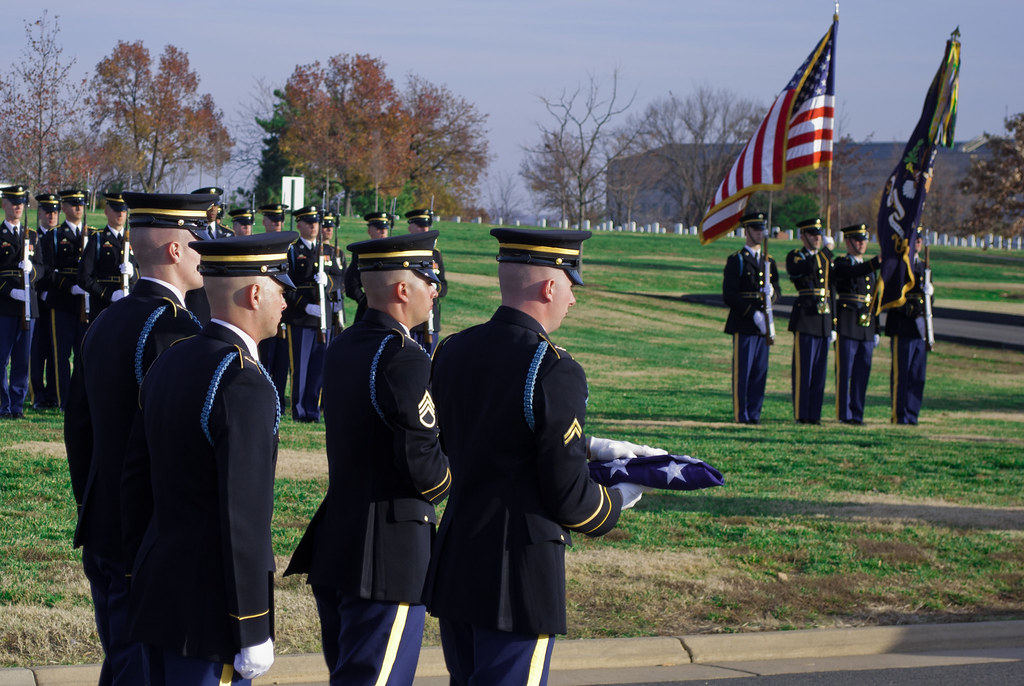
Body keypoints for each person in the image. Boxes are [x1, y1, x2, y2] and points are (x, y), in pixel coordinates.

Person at [426, 228, 662, 685]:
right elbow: (568, 496)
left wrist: (586, 446)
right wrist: (620, 496)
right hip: (518, 570)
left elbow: (468, 441)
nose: (573, 299)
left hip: (458, 559)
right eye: (571, 285)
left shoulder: (453, 350)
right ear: (550, 286)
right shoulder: (554, 367)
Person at [121, 232, 294, 685]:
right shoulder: (244, 381)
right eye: (282, 290)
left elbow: (135, 480)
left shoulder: (173, 358)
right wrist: (253, 626)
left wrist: (136, 573)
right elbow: (244, 517)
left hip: (158, 591)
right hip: (210, 612)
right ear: (256, 293)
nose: (286, 304)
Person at [286, 231, 451, 686]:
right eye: (428, 279)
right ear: (403, 289)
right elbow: (424, 466)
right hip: (389, 556)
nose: (435, 289)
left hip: (339, 543)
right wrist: (457, 477)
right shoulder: (404, 356)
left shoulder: (344, 346)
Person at [63, 192, 210, 686]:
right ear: (173, 251)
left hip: (103, 525)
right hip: (142, 537)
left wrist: (94, 502)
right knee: (140, 672)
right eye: (197, 243)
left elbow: (78, 430)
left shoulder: (106, 319)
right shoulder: (175, 327)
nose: (204, 254)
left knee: (122, 664)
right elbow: (176, 446)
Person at [722, 212, 780, 425]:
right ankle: (741, 413)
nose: (760, 233)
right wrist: (752, 313)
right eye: (755, 229)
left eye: (761, 229)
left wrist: (772, 294)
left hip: (764, 324)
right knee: (743, 372)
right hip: (745, 321)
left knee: (759, 372)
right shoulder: (737, 259)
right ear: (746, 231)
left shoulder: (769, 261)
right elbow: (729, 294)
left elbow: (779, 291)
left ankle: (754, 413)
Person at [283, 206, 339, 422]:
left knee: (319, 366)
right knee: (300, 367)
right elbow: (286, 284)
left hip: (323, 318)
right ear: (299, 225)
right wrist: (304, 305)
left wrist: (329, 283)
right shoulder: (292, 251)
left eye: (316, 222)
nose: (314, 226)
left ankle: (313, 410)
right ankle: (299, 410)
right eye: (308, 222)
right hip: (300, 316)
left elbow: (338, 278)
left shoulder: (328, 251)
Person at [41, 189, 92, 409]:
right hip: (61, 302)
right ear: (63, 208)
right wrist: (70, 287)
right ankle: (63, 399)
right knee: (60, 355)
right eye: (73, 204)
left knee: (83, 354)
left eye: (81, 204)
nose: (78, 208)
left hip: (86, 305)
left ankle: (82, 399)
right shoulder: (53, 236)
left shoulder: (92, 235)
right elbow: (48, 270)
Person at [785, 217, 835, 424]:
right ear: (803, 236)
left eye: (819, 234)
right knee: (803, 371)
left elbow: (832, 290)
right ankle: (801, 413)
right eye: (813, 234)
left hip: (823, 319)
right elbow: (801, 270)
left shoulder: (825, 259)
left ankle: (814, 414)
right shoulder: (796, 256)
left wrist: (833, 323)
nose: (817, 238)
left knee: (819, 373)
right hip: (806, 318)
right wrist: (826, 251)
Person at [833, 224, 881, 425]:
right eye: (858, 240)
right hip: (847, 322)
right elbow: (854, 271)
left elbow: (874, 298)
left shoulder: (869, 268)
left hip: (866, 325)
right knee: (845, 371)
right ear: (848, 241)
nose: (862, 244)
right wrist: (875, 263)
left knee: (863, 371)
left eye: (864, 240)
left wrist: (877, 328)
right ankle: (844, 413)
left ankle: (858, 412)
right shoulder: (842, 263)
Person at [0, 184, 41, 419]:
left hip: (28, 305)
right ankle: (2, 405)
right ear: (4, 204)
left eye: (21, 203)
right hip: (5, 305)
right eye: (13, 202)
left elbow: (43, 268)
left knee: (22, 358)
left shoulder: (32, 235)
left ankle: (17, 406)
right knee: (1, 358)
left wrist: (32, 270)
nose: (18, 207)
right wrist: (9, 292)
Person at [885, 232, 932, 425]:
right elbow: (893, 294)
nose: (918, 244)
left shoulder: (924, 266)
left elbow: (928, 302)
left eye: (920, 241)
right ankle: (899, 414)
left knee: (917, 374)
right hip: (903, 324)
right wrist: (910, 308)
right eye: (915, 241)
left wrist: (930, 292)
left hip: (920, 326)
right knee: (901, 373)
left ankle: (912, 414)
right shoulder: (900, 265)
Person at [77, 192, 138, 321]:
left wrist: (133, 274)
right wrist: (108, 294)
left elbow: (143, 272)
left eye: (123, 210)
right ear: (106, 211)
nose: (120, 214)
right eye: (116, 210)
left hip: (128, 304)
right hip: (102, 306)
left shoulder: (133, 239)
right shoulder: (97, 239)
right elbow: (84, 277)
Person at [256, 203, 290, 409]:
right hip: (265, 310)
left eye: (280, 220)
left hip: (287, 313)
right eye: (273, 220)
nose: (278, 224)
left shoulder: (290, 250)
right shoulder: (260, 248)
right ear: (265, 222)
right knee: (265, 357)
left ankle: (278, 401)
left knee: (282, 364)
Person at [31, 192, 61, 409]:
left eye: (55, 212)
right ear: (40, 212)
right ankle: (36, 392)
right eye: (47, 211)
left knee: (54, 350)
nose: (51, 216)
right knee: (36, 349)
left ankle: (53, 391)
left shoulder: (62, 237)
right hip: (34, 300)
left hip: (56, 301)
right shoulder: (33, 238)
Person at [405, 209, 447, 354]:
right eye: (420, 225)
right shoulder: (404, 252)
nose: (425, 229)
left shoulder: (435, 254)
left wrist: (433, 288)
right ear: (410, 227)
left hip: (430, 320)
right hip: (411, 319)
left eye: (426, 225)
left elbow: (444, 286)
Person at [344, 211, 391, 323]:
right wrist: (365, 301)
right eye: (379, 228)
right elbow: (351, 285)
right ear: (369, 231)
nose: (383, 231)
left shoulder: (394, 253)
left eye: (385, 228)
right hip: (369, 312)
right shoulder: (362, 253)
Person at [320, 213, 347, 334]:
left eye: (331, 226)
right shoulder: (319, 250)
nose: (329, 229)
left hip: (336, 303)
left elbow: (343, 278)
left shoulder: (338, 252)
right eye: (325, 226)